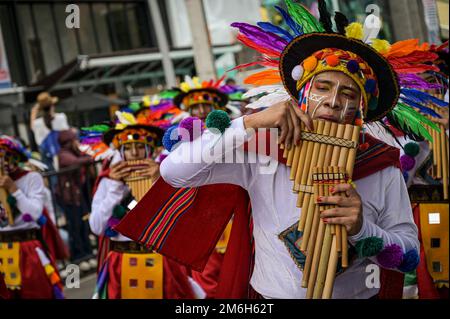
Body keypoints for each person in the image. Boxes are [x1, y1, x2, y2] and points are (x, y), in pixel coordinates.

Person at [116, 0, 444, 299]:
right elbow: (174, 172)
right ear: (300, 95)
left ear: (362, 107)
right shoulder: (262, 149)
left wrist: (363, 229)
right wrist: (248, 123)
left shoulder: (382, 164)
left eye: (348, 93)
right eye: (323, 87)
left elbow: (409, 254)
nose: (332, 101)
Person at [86, 110, 201, 299]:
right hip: (121, 262)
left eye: (139, 146)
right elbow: (96, 226)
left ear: (149, 150)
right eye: (128, 147)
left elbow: (184, 219)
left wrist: (158, 181)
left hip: (160, 261)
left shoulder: (166, 174)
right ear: (121, 152)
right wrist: (115, 187)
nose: (134, 152)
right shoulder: (108, 182)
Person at [0, 135, 64, 299]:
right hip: (2, 250)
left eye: (6, 156)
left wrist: (13, 189)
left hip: (28, 249)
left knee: (38, 293)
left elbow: (34, 213)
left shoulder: (32, 178)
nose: (3, 162)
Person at [56, 129, 95, 271]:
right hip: (69, 198)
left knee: (84, 224)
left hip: (79, 196)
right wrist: (89, 157)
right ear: (69, 142)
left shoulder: (74, 152)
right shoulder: (63, 155)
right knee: (75, 226)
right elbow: (76, 162)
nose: (77, 143)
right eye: (75, 140)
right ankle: (78, 257)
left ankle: (88, 253)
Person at [30, 92, 69, 172]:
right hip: (63, 154)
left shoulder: (37, 123)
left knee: (53, 179)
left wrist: (33, 113)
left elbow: (32, 127)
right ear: (52, 105)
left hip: (47, 156)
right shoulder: (61, 117)